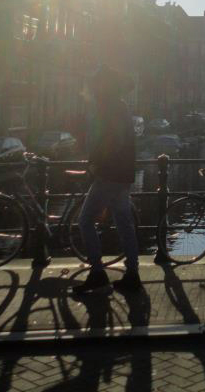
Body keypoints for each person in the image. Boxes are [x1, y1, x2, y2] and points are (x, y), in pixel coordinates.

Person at [73, 66, 142, 295]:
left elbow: (112, 141)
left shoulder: (110, 107)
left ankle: (97, 273)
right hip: (123, 174)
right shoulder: (120, 106)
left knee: (85, 221)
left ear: (104, 86)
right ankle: (132, 274)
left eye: (95, 84)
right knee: (124, 223)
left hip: (109, 173)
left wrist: (95, 164)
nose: (92, 88)